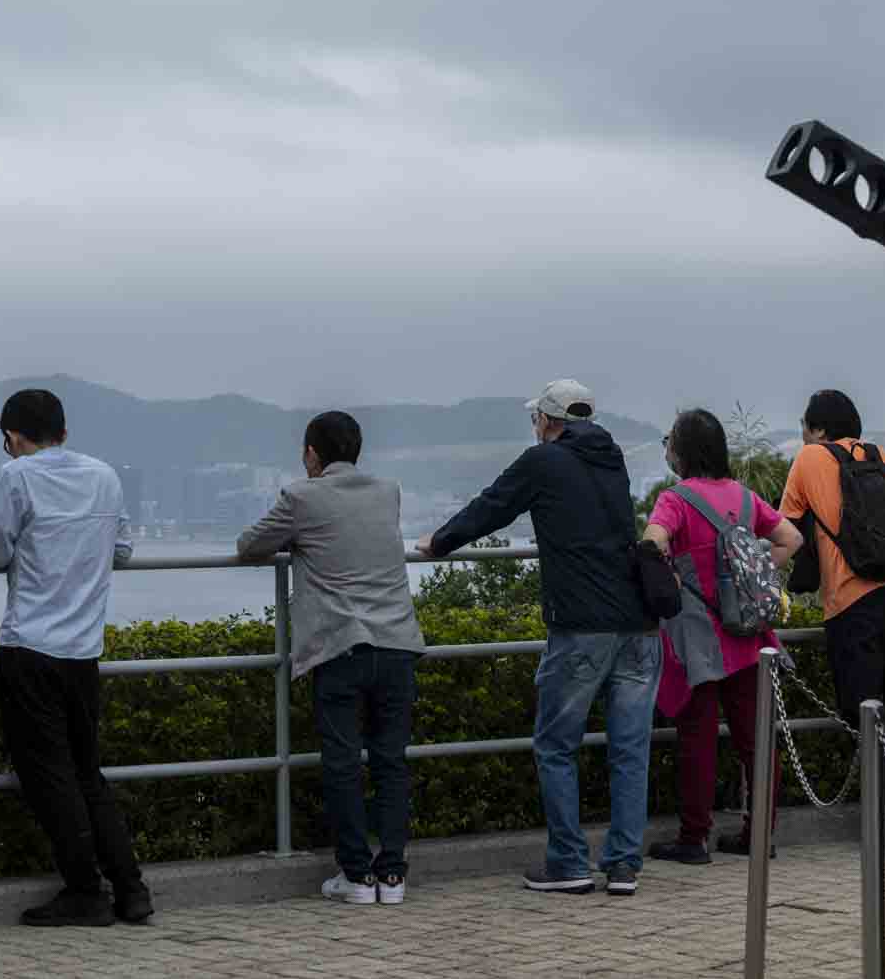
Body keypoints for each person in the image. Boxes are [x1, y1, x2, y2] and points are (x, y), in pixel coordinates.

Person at [416, 379, 660, 897]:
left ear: (548, 421)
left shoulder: (543, 460)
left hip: (582, 625)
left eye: (535, 421)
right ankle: (622, 866)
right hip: (638, 623)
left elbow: (492, 506)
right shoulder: (610, 457)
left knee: (555, 744)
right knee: (630, 748)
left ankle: (570, 862)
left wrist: (438, 543)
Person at [0, 388, 153, 927]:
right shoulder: (104, 476)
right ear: (64, 431)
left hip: (30, 646)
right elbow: (121, 550)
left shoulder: (17, 476)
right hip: (83, 649)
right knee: (85, 771)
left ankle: (84, 891)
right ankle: (131, 888)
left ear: (12, 437)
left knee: (48, 774)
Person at [238, 410, 425, 907]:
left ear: (311, 454)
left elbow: (249, 545)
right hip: (398, 642)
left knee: (343, 761)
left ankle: (357, 877)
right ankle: (393, 877)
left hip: (340, 647)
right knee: (391, 761)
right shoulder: (389, 491)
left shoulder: (302, 496)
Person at [779, 388, 885, 855]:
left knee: (862, 707)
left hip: (855, 599)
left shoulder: (810, 457)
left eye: (805, 426)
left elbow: (784, 529)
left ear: (817, 428)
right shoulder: (882, 455)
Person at [641, 409, 801, 865]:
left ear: (683, 451)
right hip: (749, 634)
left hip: (698, 639)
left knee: (698, 739)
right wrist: (754, 574)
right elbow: (791, 538)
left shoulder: (675, 499)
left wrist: (663, 573)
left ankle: (694, 839)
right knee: (756, 740)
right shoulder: (745, 498)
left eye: (669, 442)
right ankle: (758, 836)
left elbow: (653, 540)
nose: (667, 450)